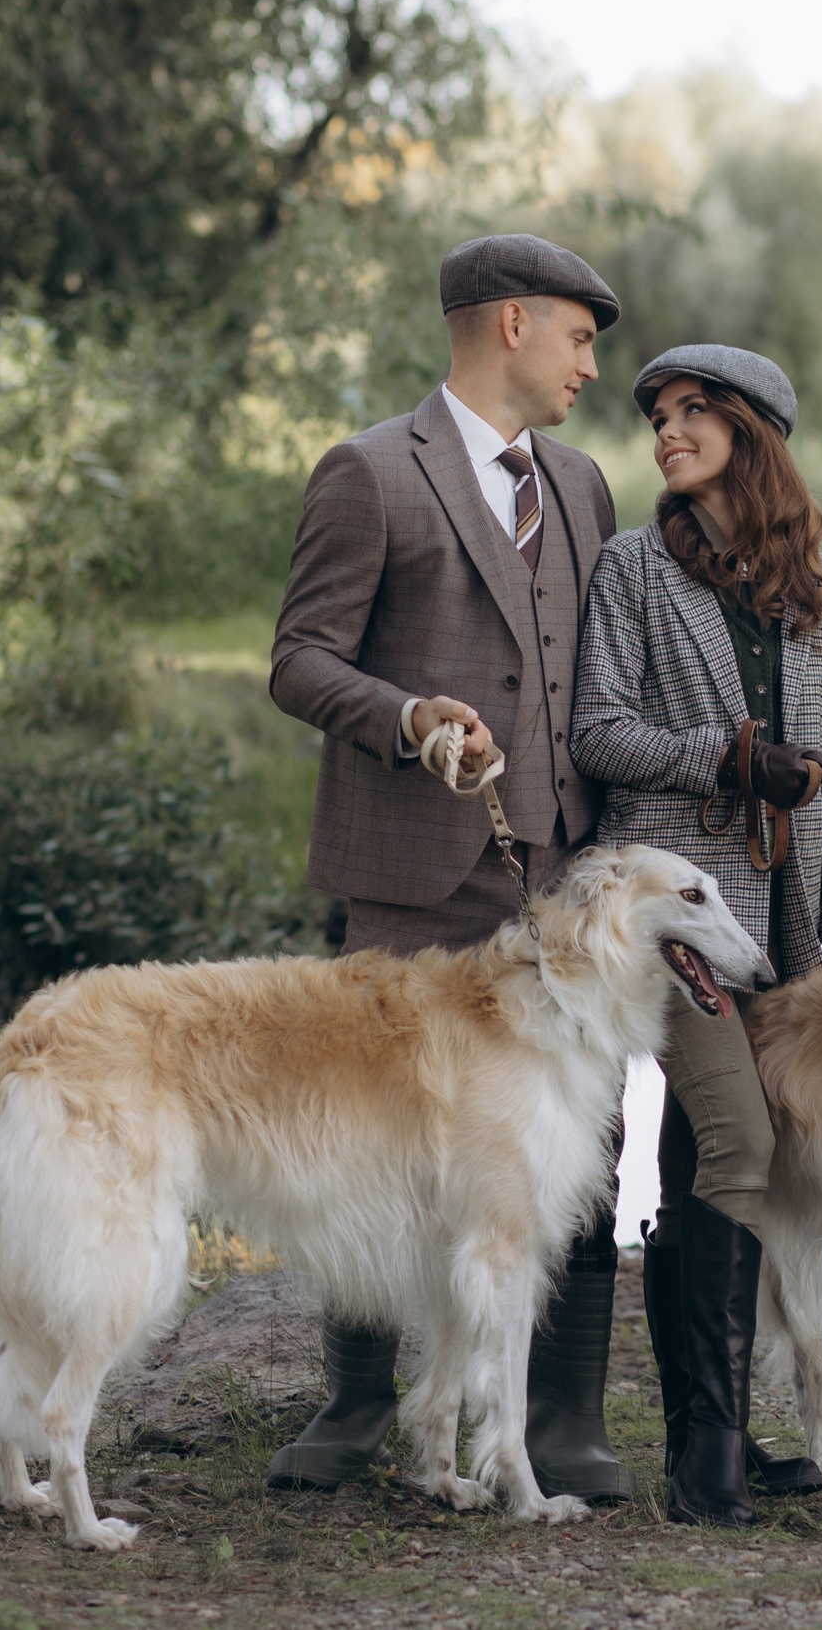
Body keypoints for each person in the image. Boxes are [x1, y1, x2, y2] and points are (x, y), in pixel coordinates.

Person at [264, 233, 634, 1501]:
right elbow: (299, 660)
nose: (594, 363)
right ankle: (359, 1400)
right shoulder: (369, 472)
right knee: (377, 1137)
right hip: (415, 877)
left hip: (563, 886)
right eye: (583, 335)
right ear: (512, 323)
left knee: (580, 1133)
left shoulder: (585, 486)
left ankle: (562, 1413)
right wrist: (409, 717)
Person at [569, 345, 822, 1527]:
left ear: (755, 434)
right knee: (732, 1139)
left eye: (694, 413)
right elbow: (598, 731)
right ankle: (703, 1452)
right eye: (657, 415)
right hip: (667, 912)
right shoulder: (633, 569)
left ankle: (728, 1429)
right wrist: (726, 758)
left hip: (782, 908)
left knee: (730, 1161)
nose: (665, 432)